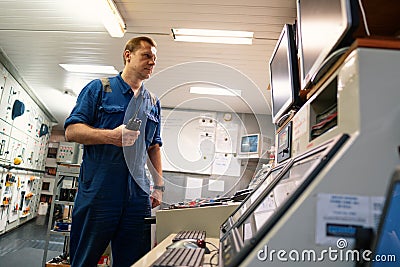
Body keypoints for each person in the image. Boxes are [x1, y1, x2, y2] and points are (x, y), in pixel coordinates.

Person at [64, 36, 163, 267]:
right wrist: (110, 136)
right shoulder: (99, 89)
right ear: (128, 55)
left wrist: (158, 186)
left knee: (135, 261)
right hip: (99, 192)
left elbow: (154, 146)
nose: (152, 62)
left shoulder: (153, 101)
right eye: (146, 55)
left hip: (137, 197)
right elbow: (71, 131)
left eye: (155, 58)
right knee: (84, 260)